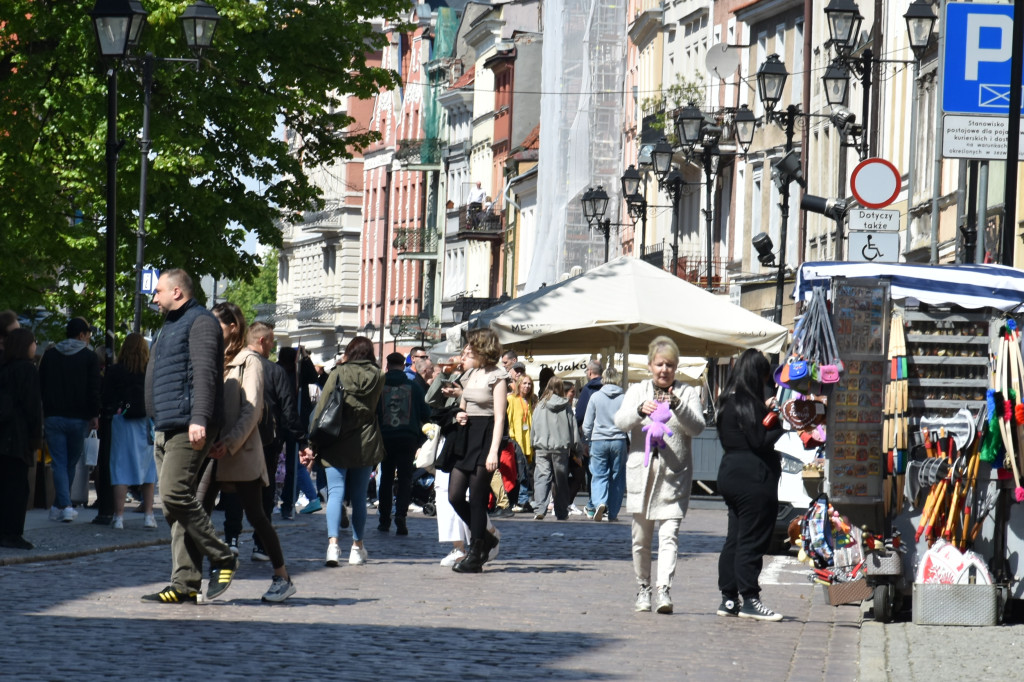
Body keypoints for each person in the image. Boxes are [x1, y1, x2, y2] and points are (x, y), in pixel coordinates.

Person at [142, 269, 236, 604]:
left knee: (174, 494)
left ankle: (223, 555)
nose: (154, 297)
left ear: (178, 292)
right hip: (167, 424)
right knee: (173, 506)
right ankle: (184, 583)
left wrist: (199, 418)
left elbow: (205, 373)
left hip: (189, 425)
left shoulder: (200, 322)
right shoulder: (170, 323)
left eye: (159, 291)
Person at [203, 302, 295, 602]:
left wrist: (229, 443)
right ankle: (195, 578)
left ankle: (282, 576)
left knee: (257, 516)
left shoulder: (249, 361)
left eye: (216, 323)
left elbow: (252, 410)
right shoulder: (213, 359)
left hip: (239, 451)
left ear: (233, 327)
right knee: (196, 513)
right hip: (209, 453)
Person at [614, 335, 705, 615]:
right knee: (640, 539)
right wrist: (640, 411)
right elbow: (619, 422)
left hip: (673, 478)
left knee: (669, 537)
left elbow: (697, 427)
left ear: (676, 367)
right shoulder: (638, 390)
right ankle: (643, 588)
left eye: (669, 365)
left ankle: (664, 590)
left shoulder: (687, 393)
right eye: (659, 364)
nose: (664, 370)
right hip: (642, 477)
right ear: (650, 366)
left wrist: (678, 405)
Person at [300, 336, 384, 567]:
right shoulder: (379, 376)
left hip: (336, 439)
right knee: (359, 496)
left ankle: (333, 546)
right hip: (365, 441)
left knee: (335, 493)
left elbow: (322, 408)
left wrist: (312, 442)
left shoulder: (338, 373)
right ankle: (357, 548)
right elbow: (380, 410)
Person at [715, 349, 785, 622]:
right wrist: (778, 422)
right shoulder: (749, 403)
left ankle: (729, 597)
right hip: (753, 477)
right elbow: (759, 440)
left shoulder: (726, 401)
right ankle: (750, 599)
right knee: (752, 538)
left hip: (730, 472)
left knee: (735, 536)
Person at [443, 328, 507, 573]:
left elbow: (500, 417)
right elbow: (463, 404)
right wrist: (459, 413)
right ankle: (485, 538)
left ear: (484, 348)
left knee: (477, 499)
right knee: (455, 495)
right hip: (467, 434)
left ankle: (476, 551)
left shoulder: (498, 376)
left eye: (473, 346)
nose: (469, 350)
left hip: (486, 435)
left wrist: (493, 452)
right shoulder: (471, 372)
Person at [246, 321, 305, 561]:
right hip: (267, 438)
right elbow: (288, 409)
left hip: (235, 437)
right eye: (271, 340)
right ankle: (260, 544)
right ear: (262, 341)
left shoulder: (232, 364)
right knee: (265, 492)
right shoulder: (274, 371)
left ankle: (230, 539)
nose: (273, 345)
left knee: (231, 488)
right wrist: (301, 439)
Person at [38, 316, 101, 523]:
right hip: (79, 417)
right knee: (69, 463)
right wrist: (94, 414)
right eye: (88, 335)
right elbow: (94, 389)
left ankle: (58, 505)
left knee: (59, 462)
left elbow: (41, 386)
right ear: (82, 335)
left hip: (53, 416)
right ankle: (65, 505)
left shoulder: (49, 356)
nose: (89, 339)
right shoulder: (90, 358)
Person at [104, 333, 157, 530]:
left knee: (120, 468)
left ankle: (118, 517)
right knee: (149, 470)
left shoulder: (116, 370)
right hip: (146, 422)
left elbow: (106, 396)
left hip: (122, 421)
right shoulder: (150, 370)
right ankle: (149, 515)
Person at [377, 352, 430, 535]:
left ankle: (384, 519)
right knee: (406, 479)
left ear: (388, 365)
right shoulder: (413, 386)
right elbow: (426, 413)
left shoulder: (380, 386)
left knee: (386, 478)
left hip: (385, 438)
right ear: (403, 365)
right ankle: (401, 516)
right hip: (407, 438)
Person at [0, 328, 42, 549]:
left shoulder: (4, 368)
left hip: (3, 434)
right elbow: (33, 408)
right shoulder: (27, 370)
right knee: (17, 487)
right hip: (17, 436)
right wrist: (37, 436)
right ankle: (12, 532)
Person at [582, 365, 628, 523]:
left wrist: (585, 441)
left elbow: (587, 424)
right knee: (617, 476)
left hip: (599, 440)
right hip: (619, 440)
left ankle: (599, 502)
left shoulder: (595, 397)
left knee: (599, 475)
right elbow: (629, 422)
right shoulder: (624, 398)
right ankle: (613, 512)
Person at [530, 376, 574, 521]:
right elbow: (572, 427)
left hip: (542, 447)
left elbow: (534, 426)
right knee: (561, 481)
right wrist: (577, 447)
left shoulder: (540, 405)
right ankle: (561, 512)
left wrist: (532, 443)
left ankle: (540, 509)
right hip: (560, 448)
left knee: (542, 478)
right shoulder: (566, 405)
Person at [507, 373, 536, 513]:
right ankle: (521, 499)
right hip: (515, 439)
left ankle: (522, 499)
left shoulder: (528, 401)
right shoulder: (511, 399)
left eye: (529, 384)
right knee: (520, 471)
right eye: (524, 383)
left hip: (526, 440)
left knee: (525, 469)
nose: (527, 386)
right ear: (518, 384)